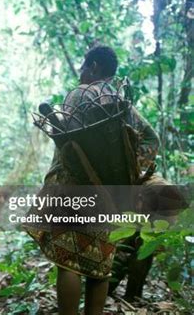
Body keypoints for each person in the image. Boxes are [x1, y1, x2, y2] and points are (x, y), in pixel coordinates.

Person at [26, 46, 159, 315]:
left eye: (83, 68)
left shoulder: (80, 95)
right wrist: (130, 176)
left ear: (95, 66)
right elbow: (151, 140)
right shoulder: (123, 105)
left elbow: (71, 145)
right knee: (100, 265)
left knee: (69, 263)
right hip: (109, 195)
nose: (80, 75)